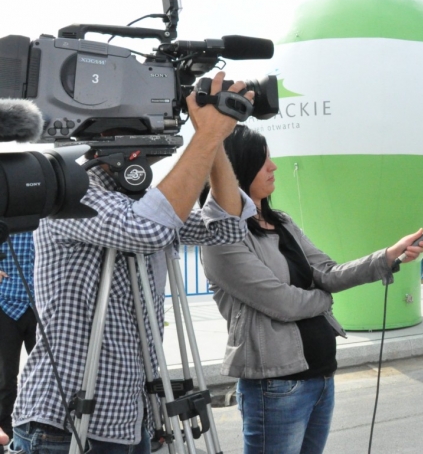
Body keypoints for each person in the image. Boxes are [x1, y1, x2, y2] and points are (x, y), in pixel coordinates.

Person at [12, 72, 257, 453]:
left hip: (131, 418)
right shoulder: (73, 196)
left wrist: (213, 138)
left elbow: (227, 227)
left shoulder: (142, 202)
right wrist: (206, 135)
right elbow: (147, 229)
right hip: (67, 425)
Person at [201, 125, 423, 454]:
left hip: (321, 376)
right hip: (276, 385)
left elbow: (327, 273)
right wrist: (323, 299)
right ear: (236, 168)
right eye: (262, 160)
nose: (273, 166)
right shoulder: (221, 237)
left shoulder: (282, 222)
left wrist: (388, 256)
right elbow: (282, 302)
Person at [0, 232, 36, 444]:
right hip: (5, 304)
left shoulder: (45, 218)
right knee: (6, 376)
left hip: (39, 306)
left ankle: (36, 428)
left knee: (43, 373)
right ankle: (6, 433)